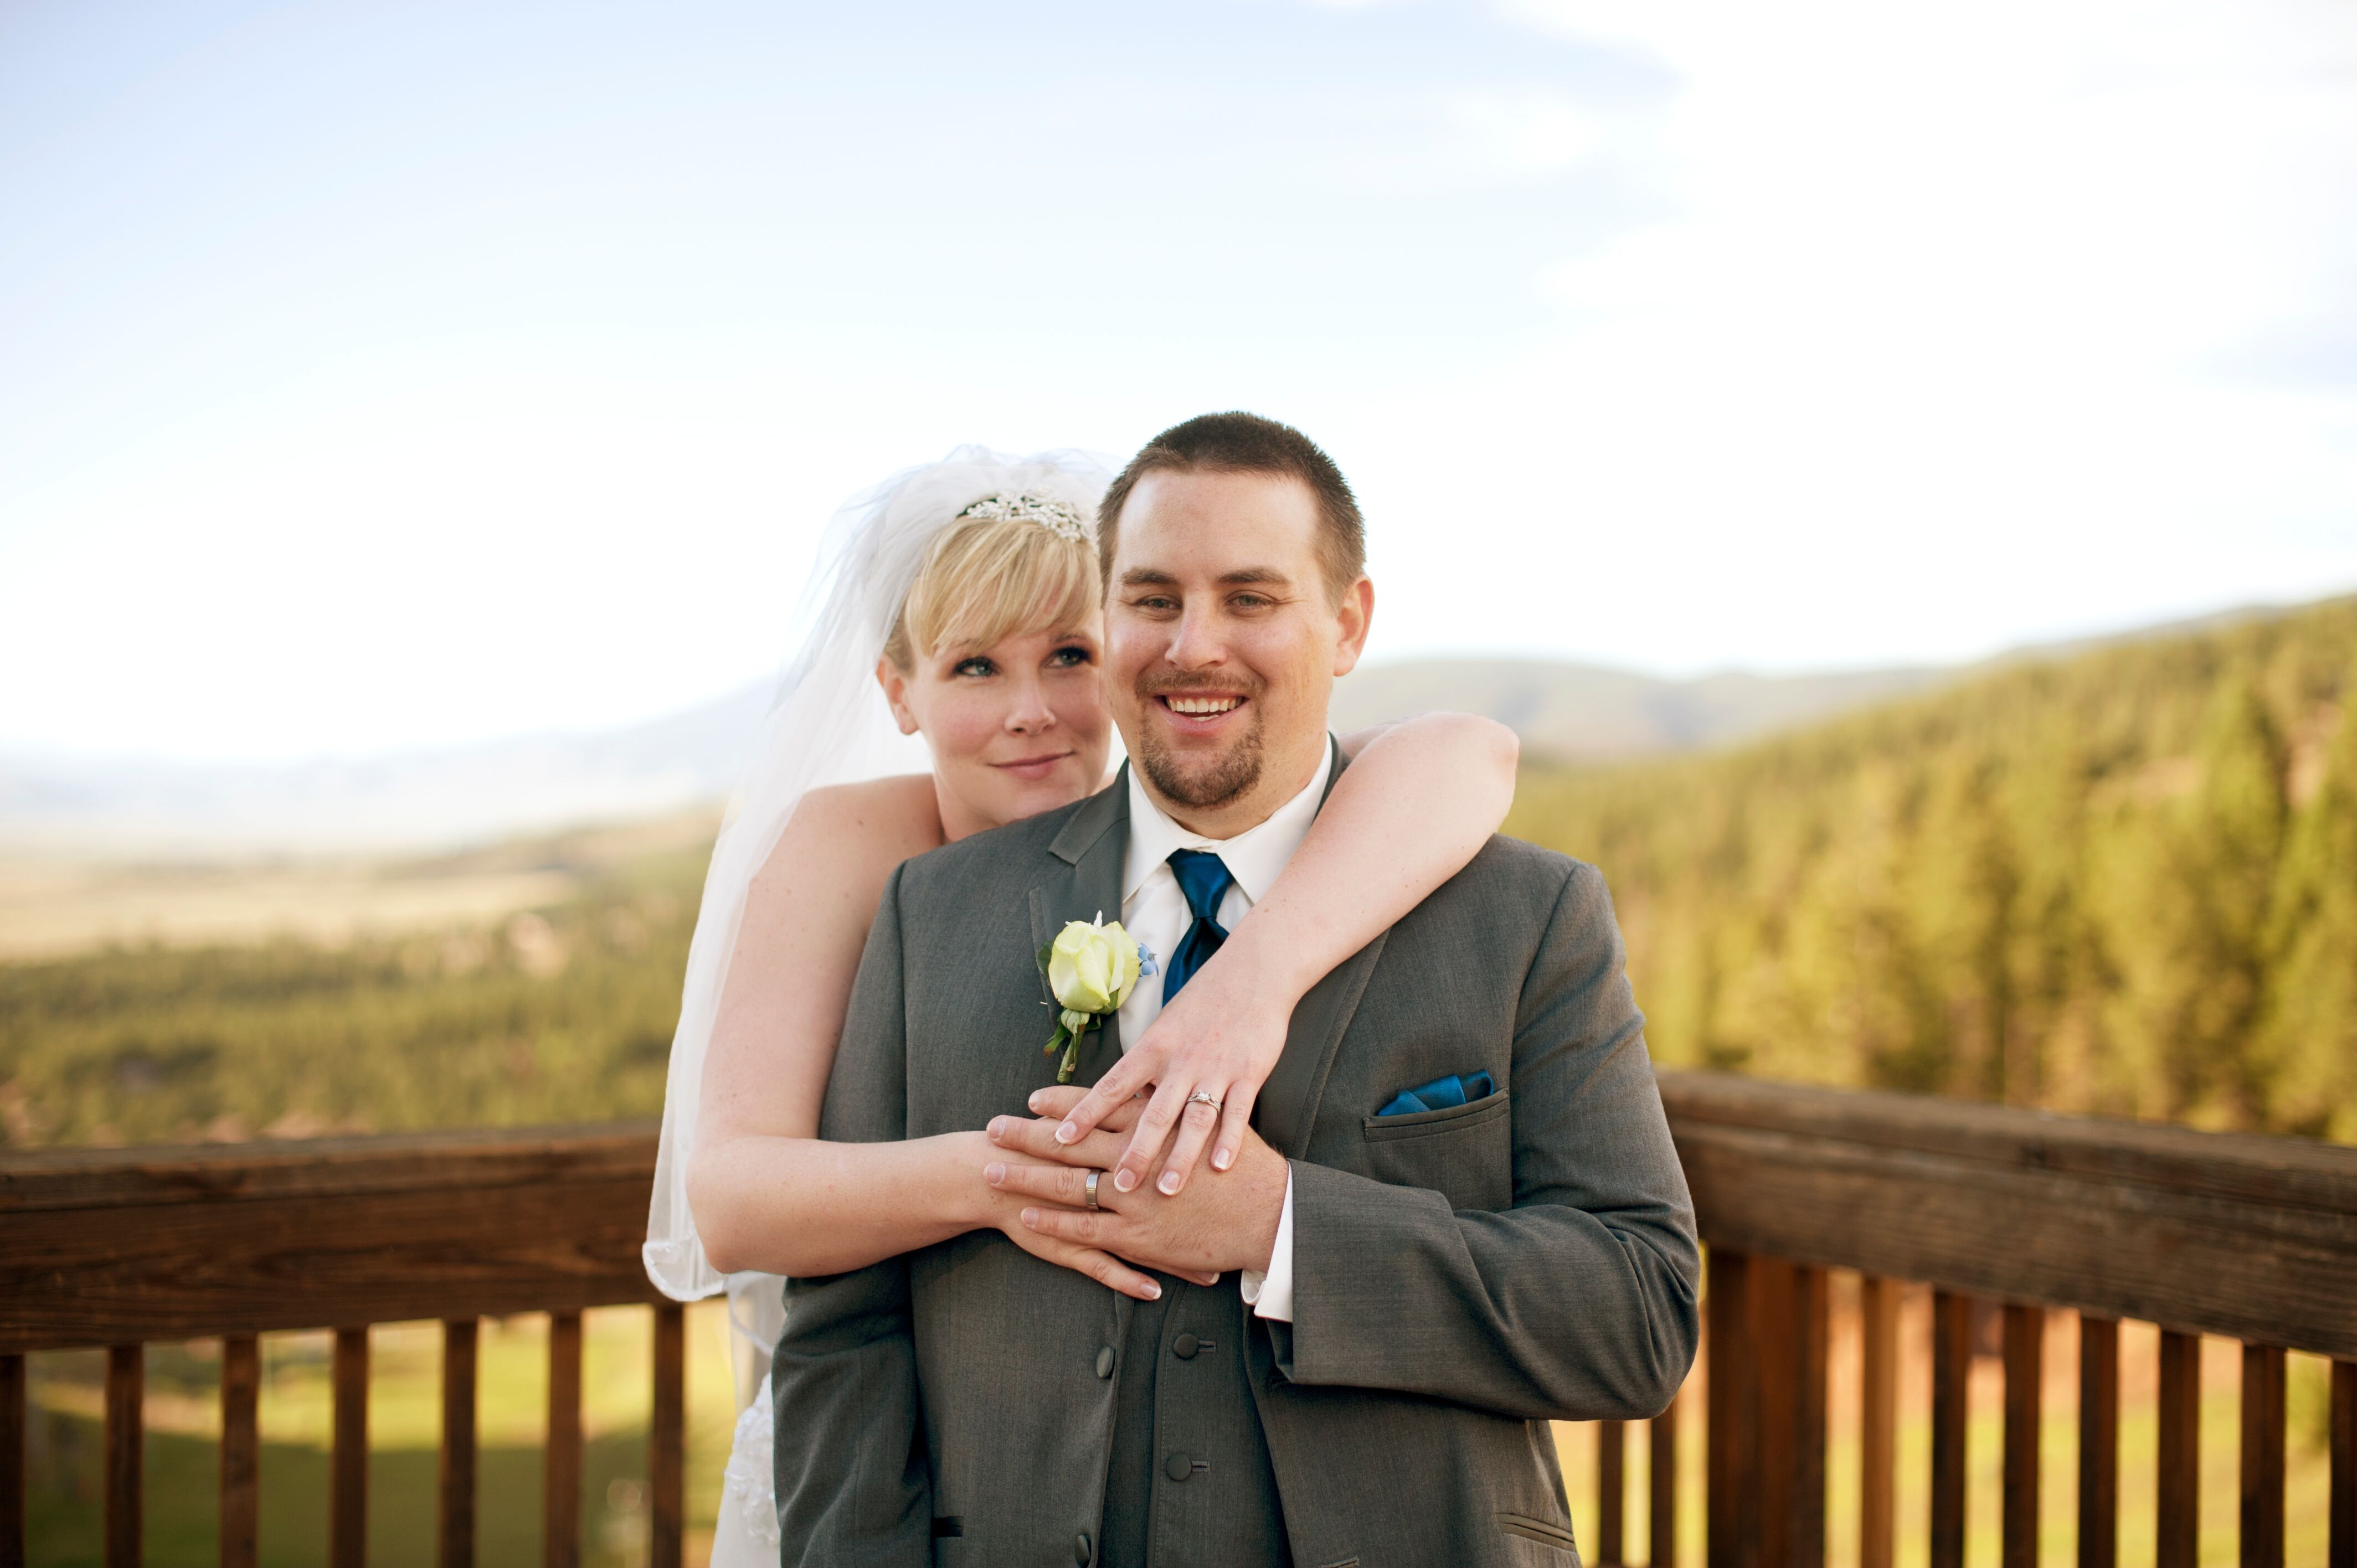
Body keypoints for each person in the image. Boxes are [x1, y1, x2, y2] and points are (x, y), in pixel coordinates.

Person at [772, 412, 1701, 1567]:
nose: (1192, 646)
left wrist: (1281, 1226)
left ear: (1346, 622)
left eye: (1251, 599)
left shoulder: (1525, 917)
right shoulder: (932, 913)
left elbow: (1637, 1315)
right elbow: (844, 1337)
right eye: (1152, 599)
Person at [641, 447, 1522, 1562]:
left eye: (1069, 655)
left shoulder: (1178, 834)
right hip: (875, 1477)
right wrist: (1012, 1178)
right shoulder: (852, 848)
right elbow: (730, 1199)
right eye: (974, 669)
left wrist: (1252, 986)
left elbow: (1470, 753)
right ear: (898, 692)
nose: (1033, 713)